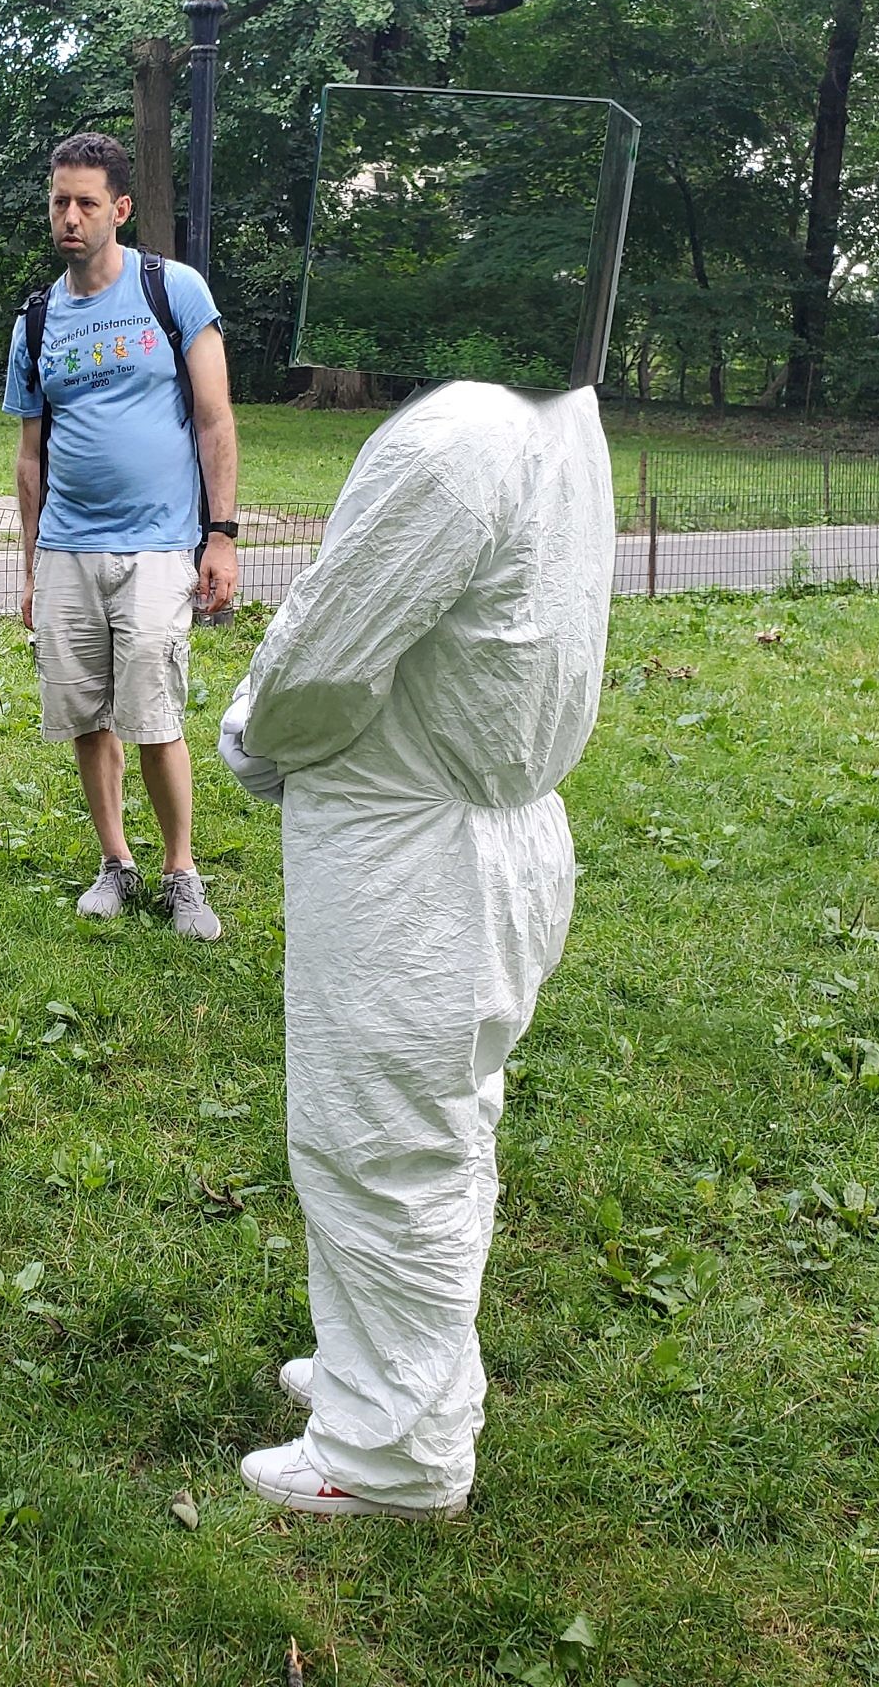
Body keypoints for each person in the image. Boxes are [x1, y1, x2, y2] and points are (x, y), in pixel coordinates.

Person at [218, 379, 613, 1517]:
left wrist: (256, 733)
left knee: (379, 1139)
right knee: (434, 1124)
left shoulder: (453, 440)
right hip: (487, 830)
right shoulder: (556, 419)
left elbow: (326, 658)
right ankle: (380, 1376)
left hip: (410, 851)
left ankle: (390, 1452)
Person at [5, 132, 240, 942]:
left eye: (86, 204)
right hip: (66, 547)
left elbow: (215, 423)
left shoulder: (172, 290)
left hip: (160, 544)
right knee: (85, 716)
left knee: (153, 711)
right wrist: (31, 561)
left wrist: (222, 536)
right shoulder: (36, 320)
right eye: (59, 203)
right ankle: (117, 862)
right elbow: (30, 457)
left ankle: (181, 871)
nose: (70, 218)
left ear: (122, 209)